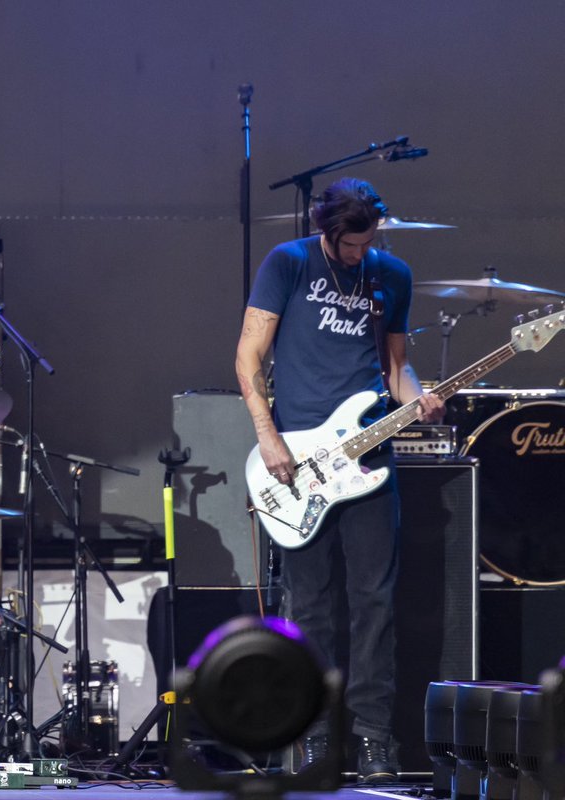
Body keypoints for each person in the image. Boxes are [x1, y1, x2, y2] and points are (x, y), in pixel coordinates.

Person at [233, 178, 444, 783]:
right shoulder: (289, 263)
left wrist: (423, 398)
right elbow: (248, 357)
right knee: (313, 606)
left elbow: (397, 367)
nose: (357, 254)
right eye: (348, 244)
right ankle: (315, 735)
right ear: (328, 230)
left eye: (366, 242)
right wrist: (268, 436)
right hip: (298, 459)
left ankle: (375, 740)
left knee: (375, 602)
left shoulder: (392, 274)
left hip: (370, 459)